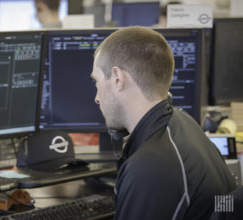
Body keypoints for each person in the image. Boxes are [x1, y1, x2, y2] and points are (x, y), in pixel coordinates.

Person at [90, 26, 236, 219]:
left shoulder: (148, 169)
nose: (97, 98)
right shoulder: (184, 123)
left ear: (117, 79)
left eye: (97, 82)